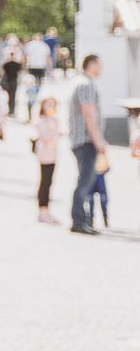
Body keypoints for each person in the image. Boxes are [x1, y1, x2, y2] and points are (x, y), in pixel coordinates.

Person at [69, 54, 108, 235]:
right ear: (91, 65)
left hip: (81, 140)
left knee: (86, 180)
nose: (101, 69)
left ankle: (82, 219)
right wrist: (98, 140)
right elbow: (89, 114)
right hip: (85, 140)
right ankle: (78, 220)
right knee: (86, 181)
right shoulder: (85, 84)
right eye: (99, 65)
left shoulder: (79, 82)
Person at [33, 96, 61, 224]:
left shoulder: (53, 119)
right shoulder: (41, 120)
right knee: (44, 182)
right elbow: (45, 137)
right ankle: (42, 211)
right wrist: (55, 129)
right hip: (45, 154)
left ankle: (46, 210)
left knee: (49, 182)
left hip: (52, 154)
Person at [0, 41, 23, 118]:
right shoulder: (17, 64)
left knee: (8, 97)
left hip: (8, 81)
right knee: (12, 97)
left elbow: (1, 72)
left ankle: (10, 110)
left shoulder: (6, 64)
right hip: (13, 81)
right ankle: (11, 111)